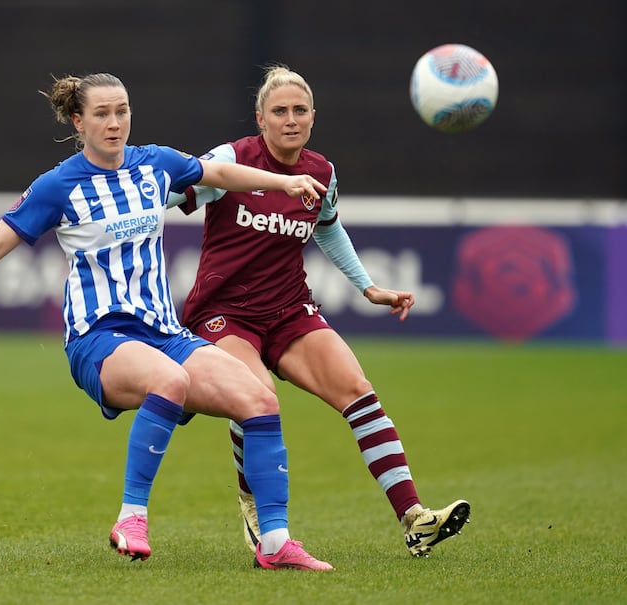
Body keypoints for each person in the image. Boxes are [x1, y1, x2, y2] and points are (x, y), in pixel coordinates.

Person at [0, 72, 335, 571]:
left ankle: (274, 542)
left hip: (165, 334)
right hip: (99, 339)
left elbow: (220, 175)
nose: (115, 123)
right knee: (170, 380)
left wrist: (283, 180)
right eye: (101, 114)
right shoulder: (59, 185)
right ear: (79, 121)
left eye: (122, 111)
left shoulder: (154, 163)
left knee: (259, 397)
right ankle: (131, 517)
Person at [169, 65, 470, 557]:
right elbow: (171, 194)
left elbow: (328, 228)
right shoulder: (232, 160)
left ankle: (415, 518)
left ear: (313, 117)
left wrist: (368, 287)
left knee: (358, 392)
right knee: (256, 395)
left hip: (289, 309)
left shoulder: (321, 171)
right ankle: (253, 506)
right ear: (260, 119)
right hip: (224, 312)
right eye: (280, 111)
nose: (291, 119)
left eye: (300, 110)